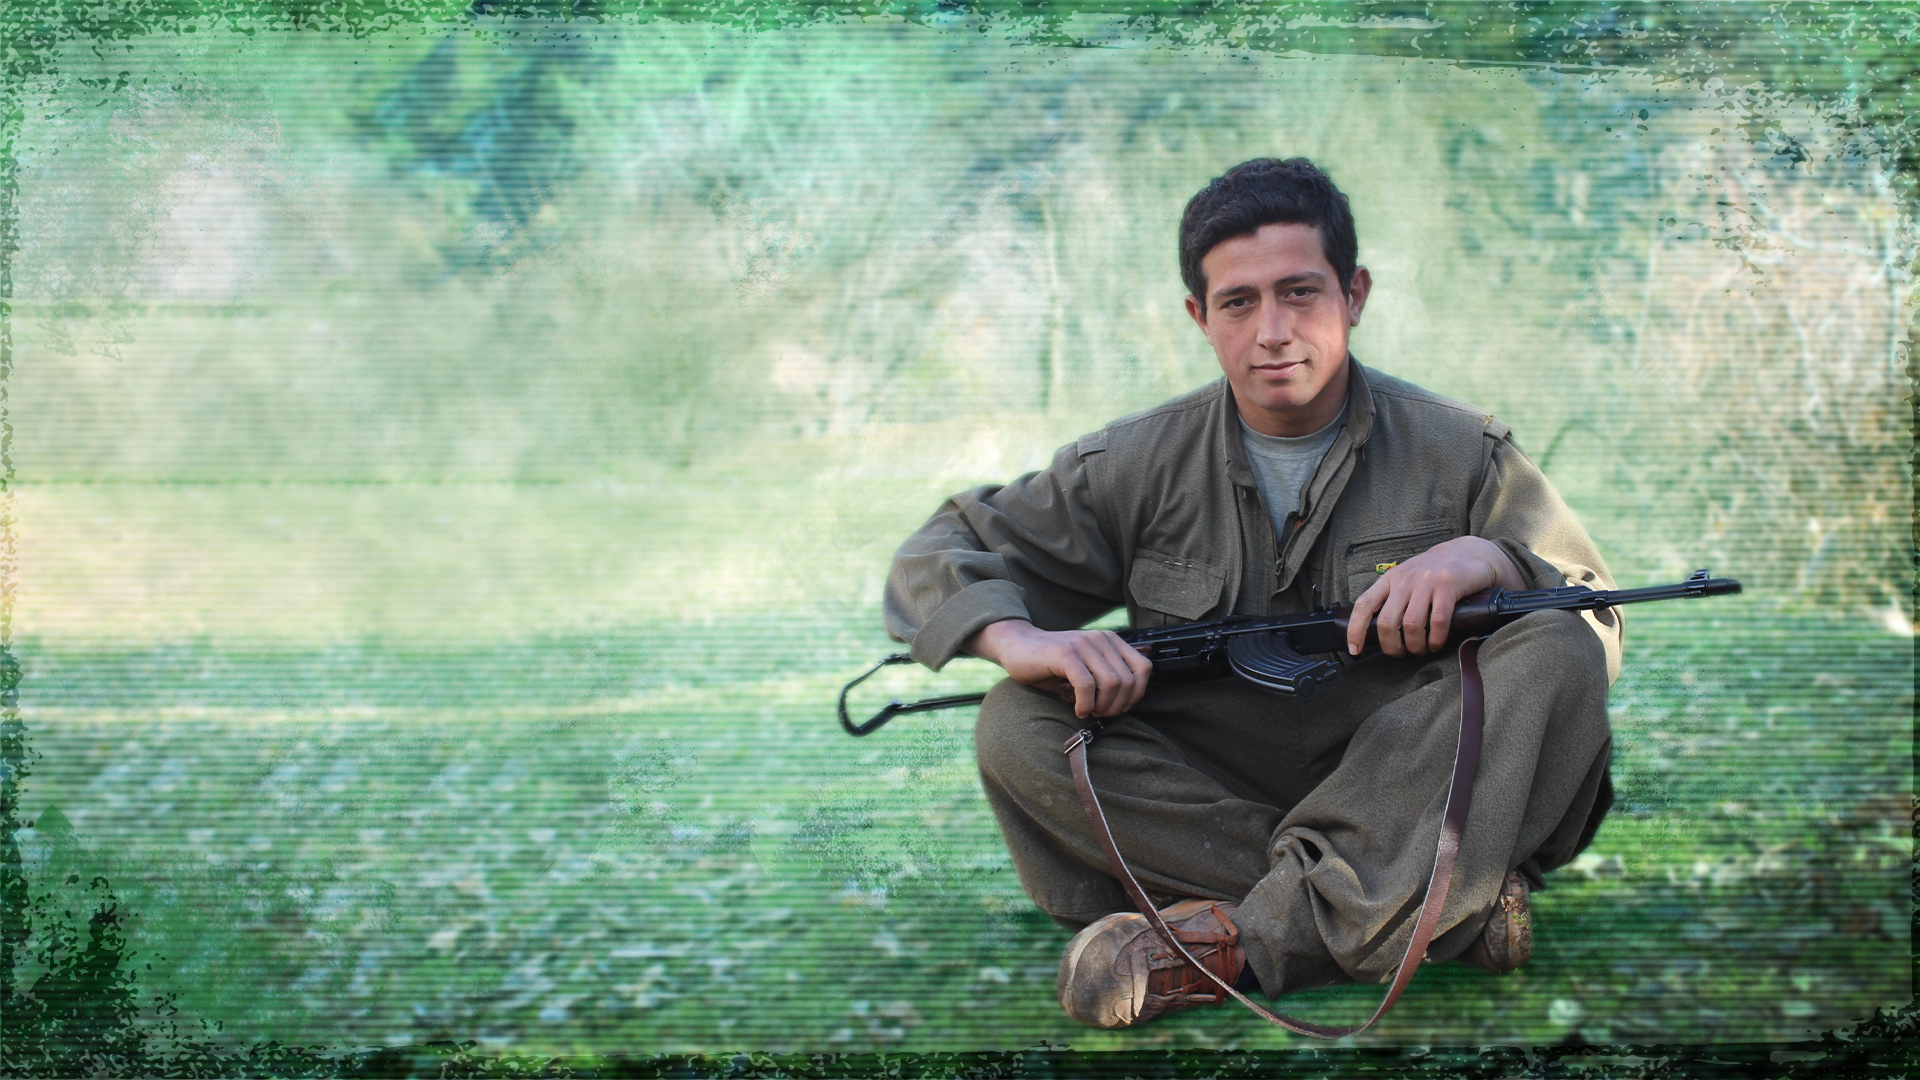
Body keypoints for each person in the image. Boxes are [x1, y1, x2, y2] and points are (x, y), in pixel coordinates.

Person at [883, 158, 1621, 1030]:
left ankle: (1228, 942)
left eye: (1300, 293)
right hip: (1218, 785)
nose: (1273, 331)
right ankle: (1434, 904)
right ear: (1201, 317)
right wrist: (1020, 641)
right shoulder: (1134, 464)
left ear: (1354, 294)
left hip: (1405, 768)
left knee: (1556, 648)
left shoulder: (1462, 452)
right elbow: (939, 552)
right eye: (1238, 302)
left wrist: (1490, 560)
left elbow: (1594, 612)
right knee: (1017, 719)